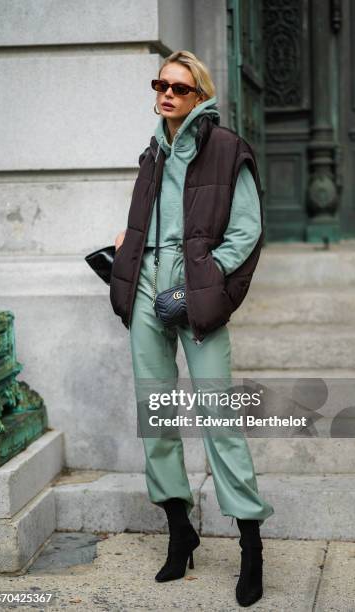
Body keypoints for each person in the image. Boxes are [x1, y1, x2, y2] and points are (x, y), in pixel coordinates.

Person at [112, 50, 274, 607]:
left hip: (195, 297)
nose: (167, 95)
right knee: (156, 420)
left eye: (179, 88)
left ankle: (251, 544)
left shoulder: (226, 149)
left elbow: (246, 230)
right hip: (144, 297)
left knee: (218, 418)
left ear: (199, 94)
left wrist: (200, 284)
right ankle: (180, 532)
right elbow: (148, 222)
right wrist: (128, 250)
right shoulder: (151, 154)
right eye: (160, 84)